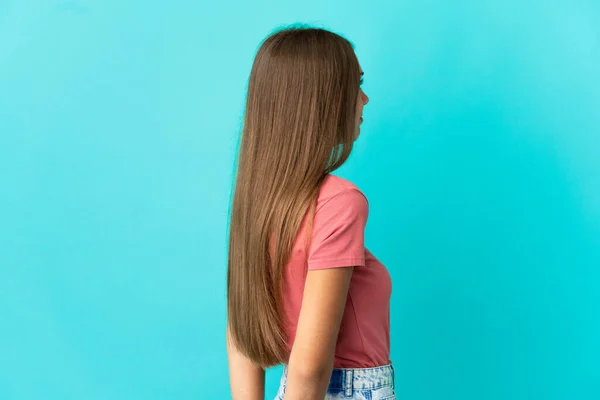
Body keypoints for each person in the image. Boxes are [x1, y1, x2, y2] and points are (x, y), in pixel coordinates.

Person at [226, 26, 394, 400]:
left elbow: (240, 329)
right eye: (355, 85)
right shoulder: (339, 202)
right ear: (322, 101)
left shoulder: (258, 201)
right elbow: (310, 365)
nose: (364, 99)